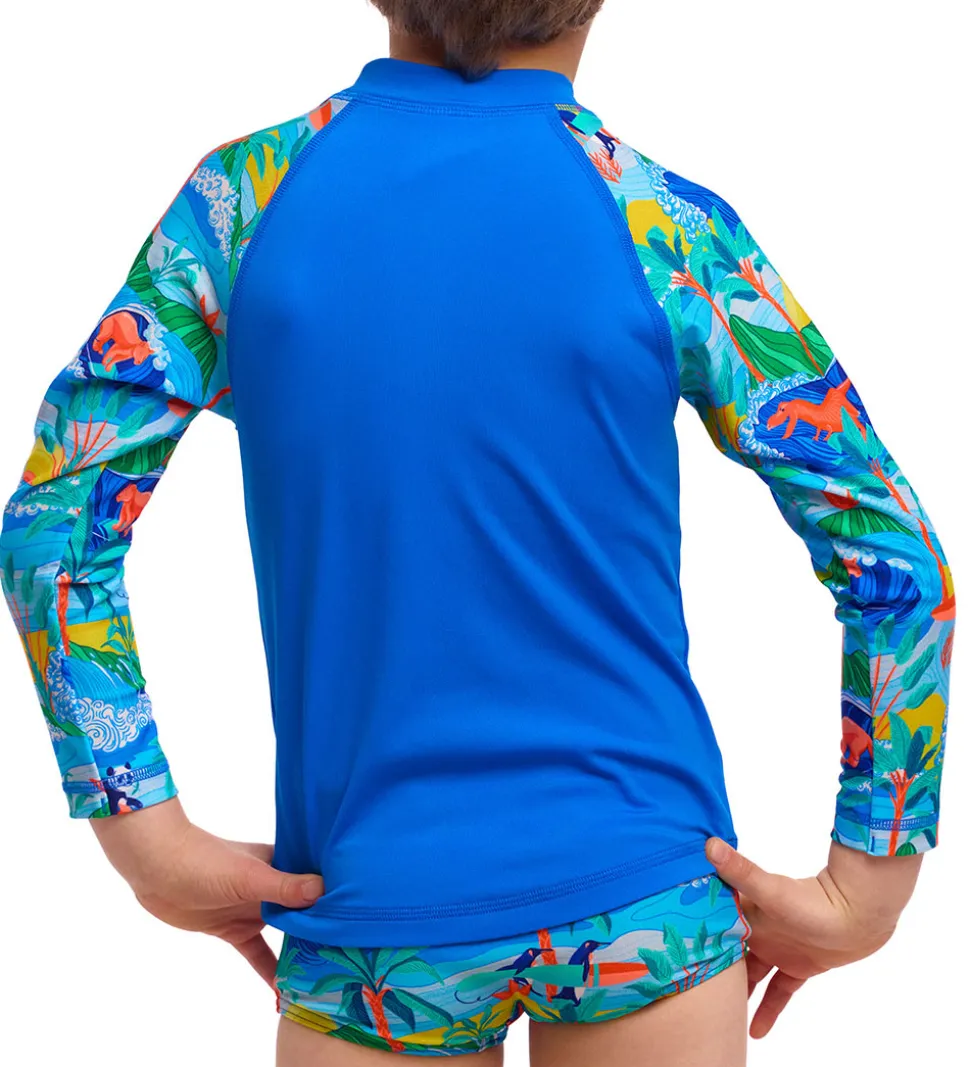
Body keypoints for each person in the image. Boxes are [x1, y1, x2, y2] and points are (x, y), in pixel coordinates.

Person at [0, 2, 955, 1064]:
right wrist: (870, 880)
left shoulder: (243, 204)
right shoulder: (665, 226)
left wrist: (142, 831)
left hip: (369, 902)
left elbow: (56, 522)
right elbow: (892, 557)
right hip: (642, 891)